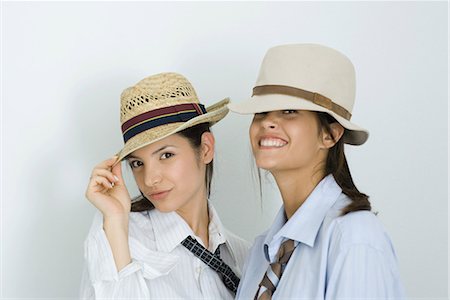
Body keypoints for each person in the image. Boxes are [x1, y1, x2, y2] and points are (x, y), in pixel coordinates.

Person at [229, 44, 405, 299]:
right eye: (261, 112)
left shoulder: (354, 237)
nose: (267, 121)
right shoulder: (261, 252)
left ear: (330, 134)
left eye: (289, 111)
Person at [80, 72, 249, 299]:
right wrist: (115, 223)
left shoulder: (245, 257)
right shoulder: (118, 236)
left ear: (206, 148)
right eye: (138, 163)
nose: (149, 179)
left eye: (166, 155)